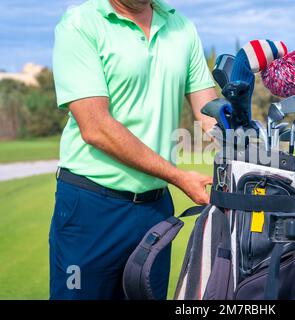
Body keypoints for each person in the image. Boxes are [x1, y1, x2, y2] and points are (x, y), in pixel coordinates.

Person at [51, 0, 218, 300]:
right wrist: (178, 177)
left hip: (155, 211)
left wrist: (248, 148)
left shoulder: (181, 27)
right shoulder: (81, 23)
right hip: (91, 207)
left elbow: (210, 113)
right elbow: (96, 127)